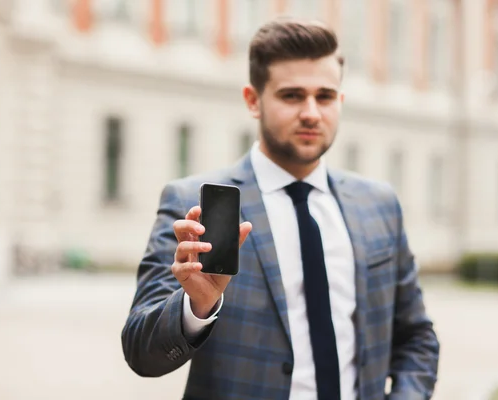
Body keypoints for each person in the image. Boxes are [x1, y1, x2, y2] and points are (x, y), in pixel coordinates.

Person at [121, 18, 440, 400]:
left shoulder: (379, 205)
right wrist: (196, 306)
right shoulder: (191, 203)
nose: (311, 112)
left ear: (340, 101)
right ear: (253, 101)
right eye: (292, 95)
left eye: (324, 96)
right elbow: (142, 354)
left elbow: (416, 337)